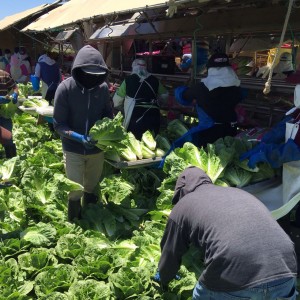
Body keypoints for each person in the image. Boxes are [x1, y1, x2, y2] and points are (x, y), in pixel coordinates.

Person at [156, 166, 298, 299]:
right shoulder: (238, 192)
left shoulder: (184, 203)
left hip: (235, 272)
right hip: (285, 268)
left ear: (182, 191)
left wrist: (163, 278)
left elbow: (171, 253)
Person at [53, 45, 113, 222]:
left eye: (95, 75)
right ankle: (74, 222)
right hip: (73, 148)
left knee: (91, 186)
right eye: (86, 74)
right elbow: (58, 124)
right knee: (75, 189)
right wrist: (78, 137)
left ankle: (90, 220)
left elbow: (107, 115)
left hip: (97, 148)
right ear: (77, 70)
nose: (90, 79)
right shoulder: (65, 89)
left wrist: (106, 134)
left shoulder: (102, 89)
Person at [175, 52, 242, 148]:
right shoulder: (237, 87)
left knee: (209, 156)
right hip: (231, 129)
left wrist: (182, 90)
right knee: (229, 153)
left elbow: (182, 97)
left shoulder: (202, 87)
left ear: (211, 69)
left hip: (210, 132)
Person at [113, 58, 168, 140]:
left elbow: (117, 101)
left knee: (134, 141)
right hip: (153, 115)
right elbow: (165, 95)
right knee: (153, 141)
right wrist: (158, 101)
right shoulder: (155, 80)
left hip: (135, 116)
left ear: (133, 67)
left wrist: (121, 107)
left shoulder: (128, 80)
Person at [0, 69, 18, 158]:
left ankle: (12, 160)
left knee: (8, 138)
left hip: (4, 113)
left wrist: (15, 94)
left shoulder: (5, 75)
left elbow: (15, 87)